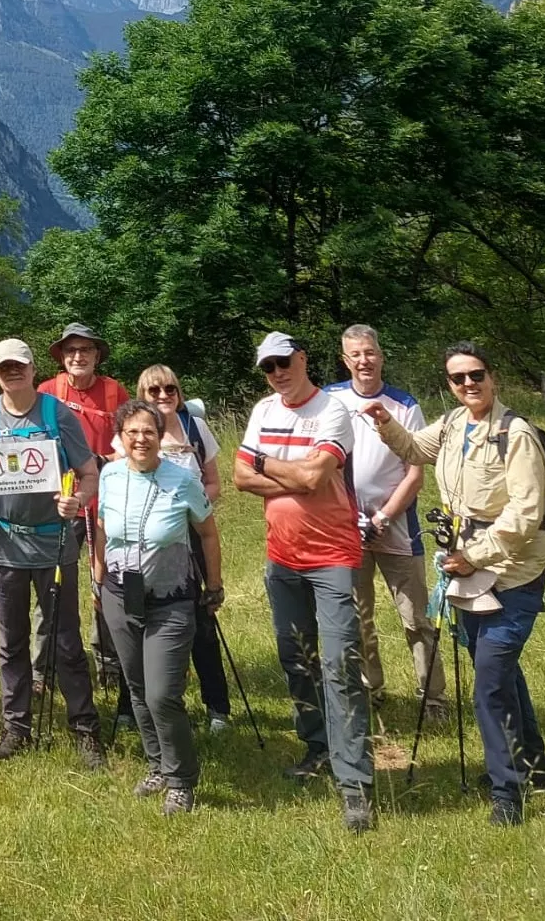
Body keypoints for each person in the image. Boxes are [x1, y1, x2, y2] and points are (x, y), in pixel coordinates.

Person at [363, 342, 545, 826]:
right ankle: (536, 766)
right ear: (449, 384)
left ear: (493, 377)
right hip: (467, 574)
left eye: (476, 375)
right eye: (458, 378)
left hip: (512, 574)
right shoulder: (451, 425)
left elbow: (526, 514)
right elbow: (413, 450)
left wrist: (473, 556)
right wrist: (385, 422)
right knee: (501, 674)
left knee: (488, 685)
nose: (469, 384)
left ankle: (507, 795)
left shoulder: (517, 436)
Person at [234, 332, 375, 833]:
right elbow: (238, 478)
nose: (276, 373)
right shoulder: (263, 409)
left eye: (283, 362)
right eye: (268, 367)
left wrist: (265, 463)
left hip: (332, 555)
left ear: (302, 359)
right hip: (282, 557)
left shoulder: (333, 411)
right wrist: (288, 471)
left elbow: (315, 479)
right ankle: (317, 746)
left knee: (339, 663)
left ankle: (355, 782)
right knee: (296, 658)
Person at [0, 338, 105, 765]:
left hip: (54, 543)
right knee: (11, 643)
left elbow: (87, 472)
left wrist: (78, 501)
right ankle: (16, 728)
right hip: (2, 543)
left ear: (31, 369)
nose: (13, 373)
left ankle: (85, 729)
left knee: (66, 641)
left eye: (20, 366)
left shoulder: (56, 412)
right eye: (5, 367)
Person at [95, 400, 224, 815]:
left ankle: (182, 779)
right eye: (131, 432)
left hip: (171, 598)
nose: (140, 439)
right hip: (119, 595)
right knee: (135, 686)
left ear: (160, 435)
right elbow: (100, 527)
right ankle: (157, 765)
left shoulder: (182, 480)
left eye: (148, 431)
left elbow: (207, 533)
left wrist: (215, 585)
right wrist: (97, 577)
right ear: (120, 437)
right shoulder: (109, 476)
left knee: (163, 694)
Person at [325, 325, 447, 720]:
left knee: (416, 618)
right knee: (358, 616)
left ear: (381, 355)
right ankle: (369, 688)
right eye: (355, 354)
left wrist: (382, 517)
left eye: (370, 353)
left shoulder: (404, 405)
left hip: (396, 526)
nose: (364, 361)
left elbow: (415, 472)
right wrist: (348, 515)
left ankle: (433, 699)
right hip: (344, 527)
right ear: (345, 360)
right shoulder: (329, 400)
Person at [111, 365, 232, 732]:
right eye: (154, 391)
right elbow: (121, 479)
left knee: (200, 619)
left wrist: (192, 511)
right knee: (135, 619)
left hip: (189, 536)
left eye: (171, 389)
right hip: (142, 543)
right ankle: (131, 708)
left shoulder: (196, 428)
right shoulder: (132, 432)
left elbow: (212, 482)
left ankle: (216, 707)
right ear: (141, 395)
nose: (163, 396)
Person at [37, 323, 129, 699]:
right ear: (61, 356)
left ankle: (108, 662)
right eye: (71, 350)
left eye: (85, 350)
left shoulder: (113, 391)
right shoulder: (47, 391)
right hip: (59, 506)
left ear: (97, 355)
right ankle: (44, 668)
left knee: (104, 584)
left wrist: (102, 459)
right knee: (52, 590)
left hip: (103, 502)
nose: (78, 356)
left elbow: (130, 439)